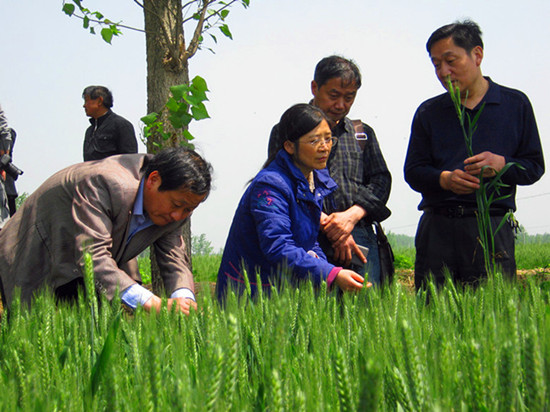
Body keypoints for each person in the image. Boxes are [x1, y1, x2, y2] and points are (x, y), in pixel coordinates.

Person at [404, 20, 545, 290]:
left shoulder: (515, 105)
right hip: (438, 229)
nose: (444, 71)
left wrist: (502, 164)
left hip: (491, 228)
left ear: (477, 55)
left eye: (450, 60)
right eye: (436, 65)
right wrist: (444, 179)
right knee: (434, 320)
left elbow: (534, 167)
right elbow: (413, 171)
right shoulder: (429, 112)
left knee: (492, 318)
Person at [0, 147, 212, 313]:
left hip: (85, 272)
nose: (179, 216)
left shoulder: (176, 210)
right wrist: (152, 302)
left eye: (189, 209)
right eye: (177, 205)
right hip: (34, 252)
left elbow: (174, 260)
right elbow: (93, 255)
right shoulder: (106, 182)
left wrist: (183, 298)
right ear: (153, 180)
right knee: (25, 331)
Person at [217, 104, 368, 301]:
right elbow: (278, 244)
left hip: (282, 291)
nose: (324, 147)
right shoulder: (271, 185)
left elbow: (307, 237)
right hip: (250, 293)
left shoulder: (314, 178)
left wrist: (325, 272)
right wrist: (332, 274)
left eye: (328, 138)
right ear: (289, 146)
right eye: (314, 141)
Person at [268, 56, 392, 285]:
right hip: (307, 237)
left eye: (349, 97)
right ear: (315, 87)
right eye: (333, 96)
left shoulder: (362, 134)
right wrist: (330, 225)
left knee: (363, 312)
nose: (341, 105)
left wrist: (350, 217)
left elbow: (381, 181)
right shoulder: (288, 129)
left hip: (358, 237)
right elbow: (281, 182)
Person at [82, 85, 138, 161]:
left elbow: (131, 160)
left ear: (99, 101)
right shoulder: (89, 131)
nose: (84, 105)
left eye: (86, 101)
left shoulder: (122, 125)